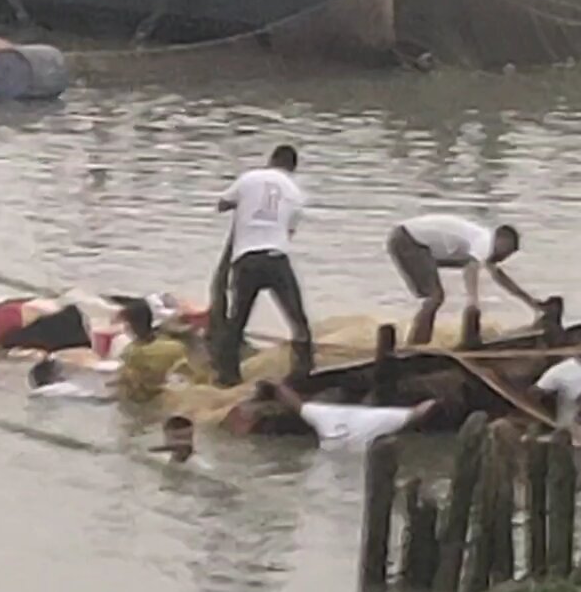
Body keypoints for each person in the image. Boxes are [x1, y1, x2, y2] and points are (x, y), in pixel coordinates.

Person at [216, 144, 313, 385]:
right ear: (293, 168)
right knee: (297, 318)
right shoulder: (296, 192)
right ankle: (304, 369)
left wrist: (243, 207)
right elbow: (288, 232)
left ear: (271, 159)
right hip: (276, 258)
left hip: (246, 259)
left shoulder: (249, 178)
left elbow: (222, 204)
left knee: (237, 320)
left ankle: (228, 377)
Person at [387, 214, 539, 345]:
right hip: (409, 240)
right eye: (508, 253)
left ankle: (417, 340)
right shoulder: (485, 241)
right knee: (435, 297)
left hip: (407, 238)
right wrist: (473, 300)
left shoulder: (481, 242)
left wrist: (532, 303)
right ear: (503, 241)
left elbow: (500, 278)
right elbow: (471, 268)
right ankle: (415, 346)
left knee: (433, 297)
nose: (504, 258)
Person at [258, 380, 438, 452]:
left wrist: (275, 387)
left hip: (326, 466)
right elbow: (419, 413)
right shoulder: (379, 417)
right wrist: (439, 399)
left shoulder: (325, 414)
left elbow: (295, 403)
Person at [116, 299, 214, 403]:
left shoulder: (131, 354)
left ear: (130, 326)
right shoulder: (177, 347)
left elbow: (126, 387)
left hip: (148, 401)